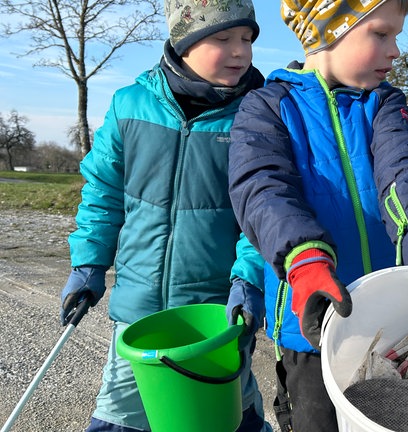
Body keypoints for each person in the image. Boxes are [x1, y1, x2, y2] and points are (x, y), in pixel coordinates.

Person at [227, 1, 408, 430]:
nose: (396, 51)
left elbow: (405, 175)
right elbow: (263, 192)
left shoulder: (384, 104)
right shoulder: (267, 107)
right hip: (311, 327)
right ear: (329, 31)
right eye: (381, 34)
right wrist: (304, 260)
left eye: (396, 36)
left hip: (389, 324)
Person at [58, 0, 273, 430]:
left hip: (214, 314)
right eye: (223, 38)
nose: (240, 52)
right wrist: (88, 263)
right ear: (184, 42)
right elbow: (103, 193)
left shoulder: (256, 114)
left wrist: (249, 278)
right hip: (138, 312)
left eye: (247, 39)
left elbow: (261, 211)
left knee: (225, 415)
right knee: (119, 417)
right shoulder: (129, 105)